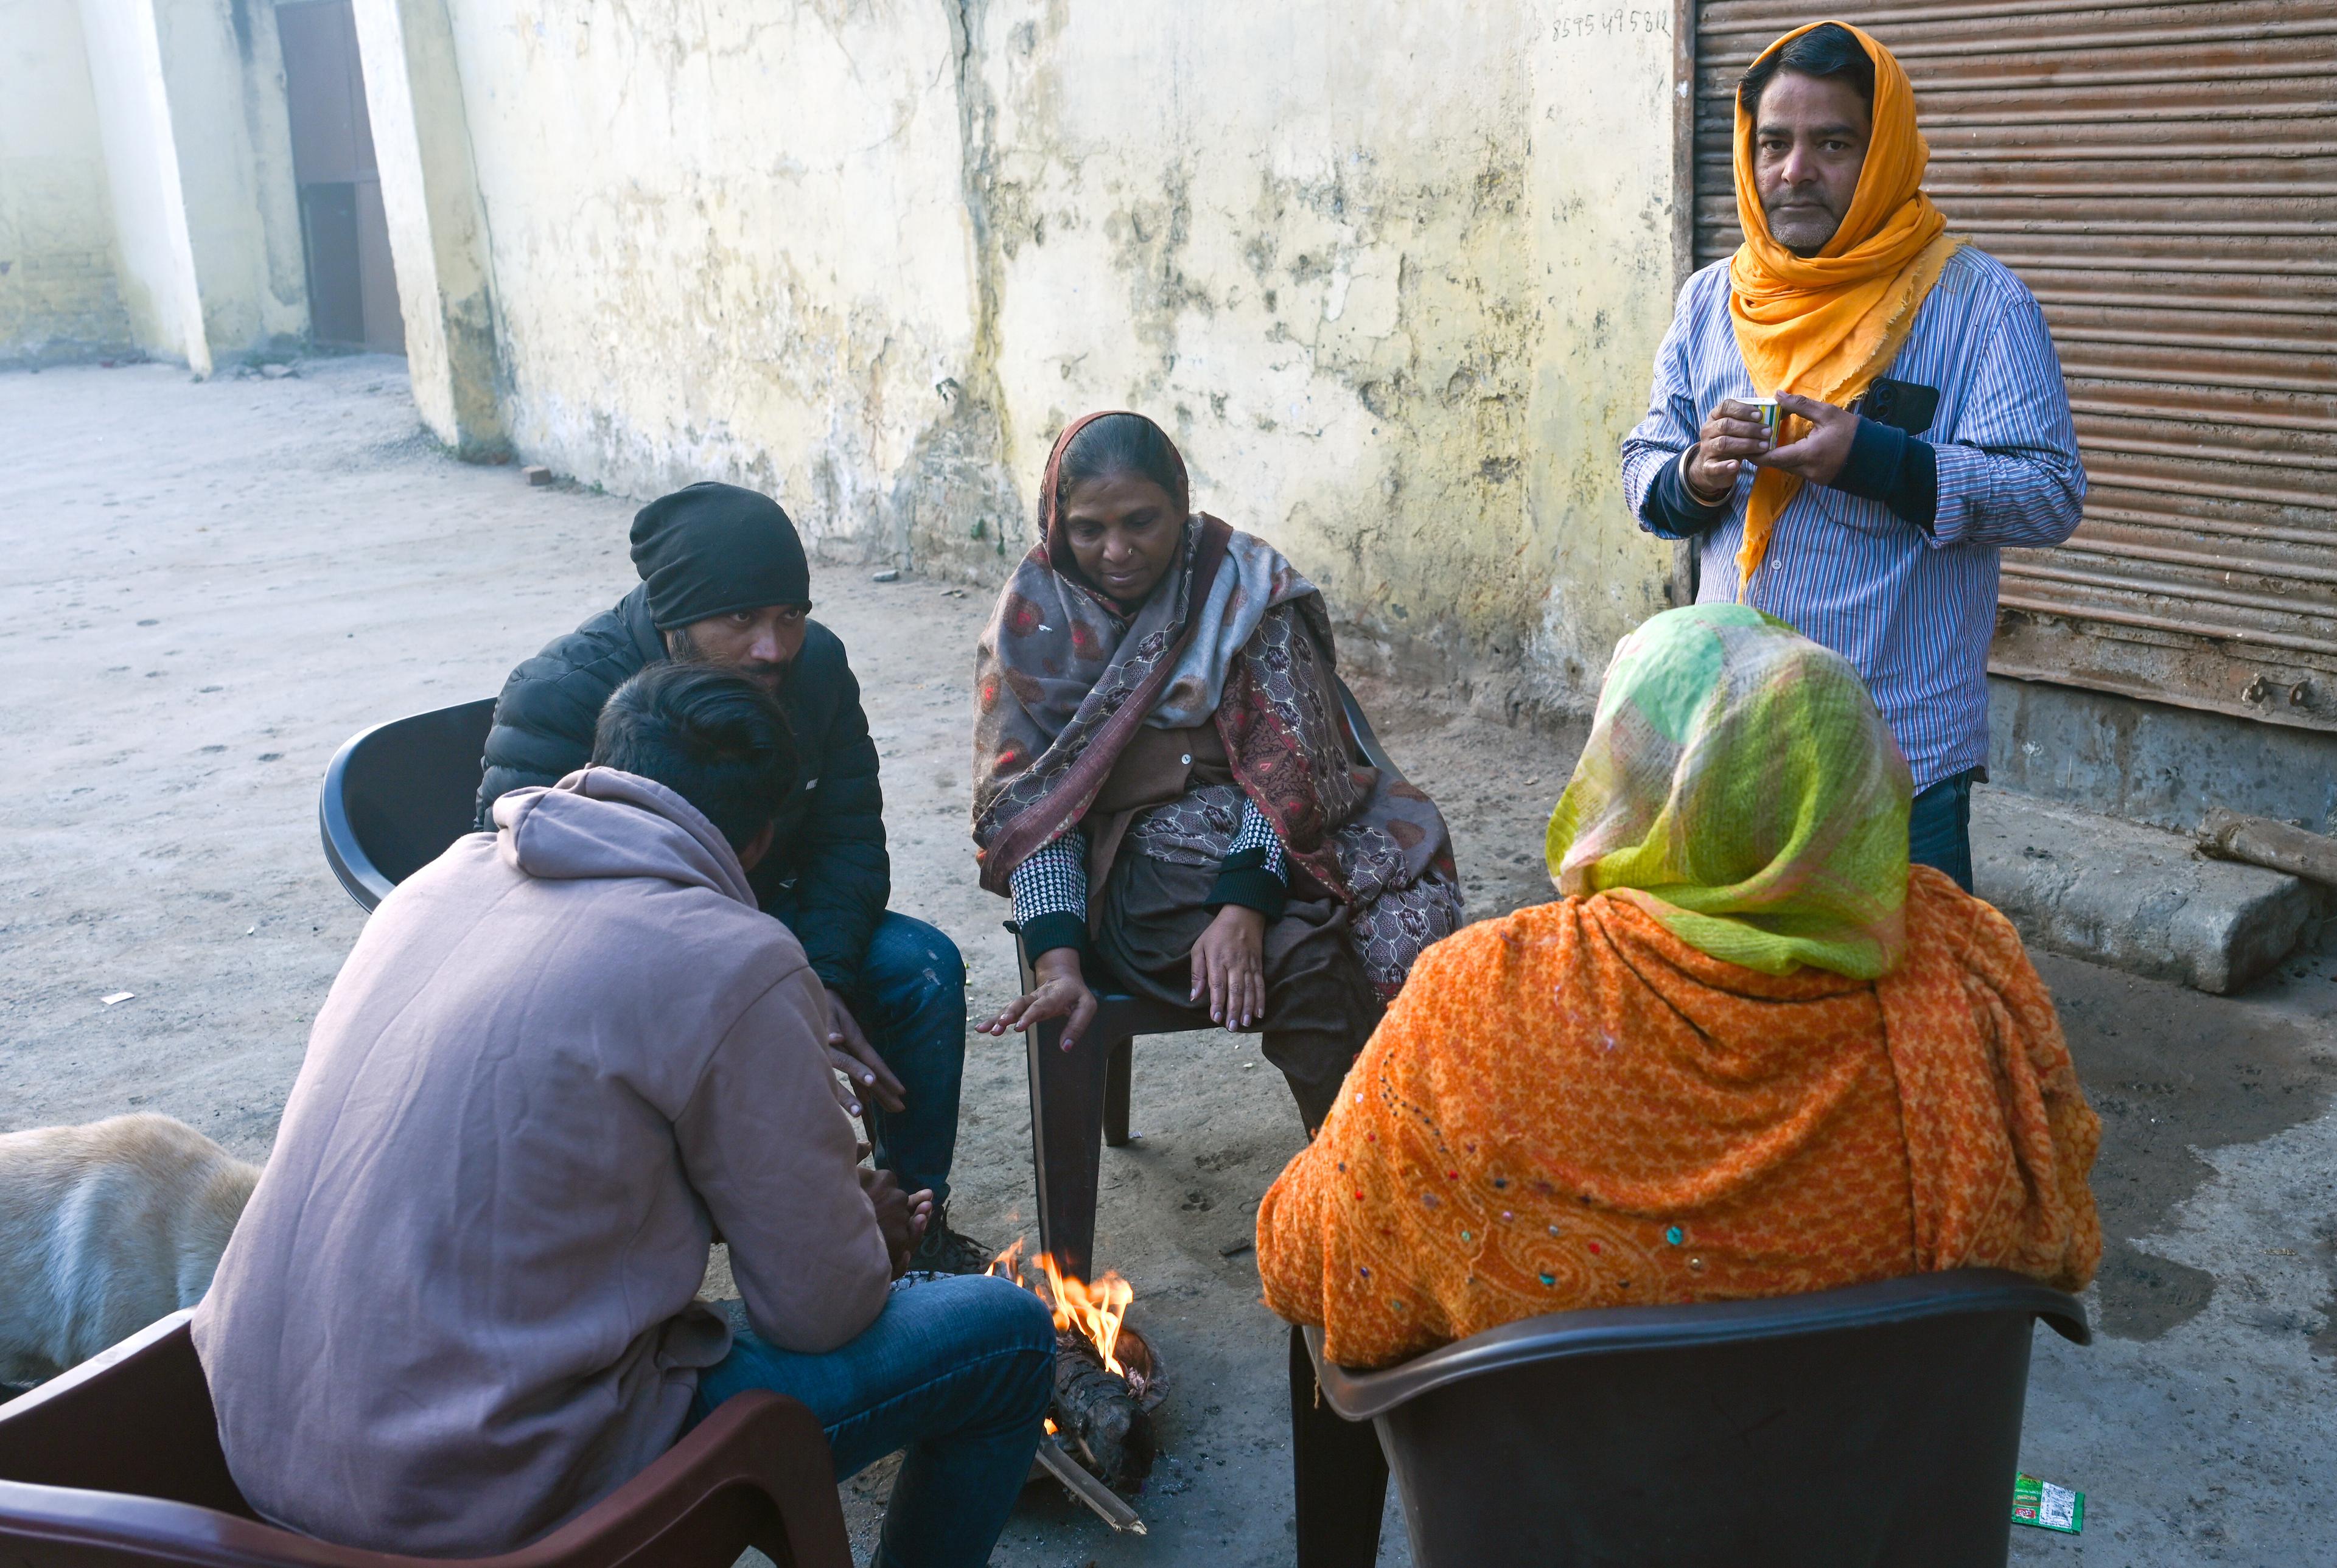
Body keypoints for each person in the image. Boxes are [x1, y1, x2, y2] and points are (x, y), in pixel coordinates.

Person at [1254, 604, 2100, 1558]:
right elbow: (2059, 1225)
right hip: (1865, 1504)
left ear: (1628, 779)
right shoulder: (1970, 966)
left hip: (1566, 1514)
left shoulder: (1477, 1002)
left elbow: (1302, 1258)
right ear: (1861, 776)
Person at [195, 664, 1055, 1566]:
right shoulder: (733, 959)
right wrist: (865, 1239)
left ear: (601, 765)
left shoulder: (433, 883)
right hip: (474, 1496)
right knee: (1006, 1337)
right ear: (760, 842)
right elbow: (820, 1312)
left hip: (255, 1435)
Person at [1619, 21, 2084, 891]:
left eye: (1832, 143)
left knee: (1899, 1008)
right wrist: (1693, 473)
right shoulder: (1712, 302)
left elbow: (2050, 492)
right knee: (1744, 999)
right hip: (1731, 734)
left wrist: (1880, 460)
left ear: (1883, 154)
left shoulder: (1980, 304)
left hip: (1898, 750)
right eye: (1775, 144)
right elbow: (1645, 460)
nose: (1795, 171)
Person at [477, 481, 988, 1272]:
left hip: (774, 918)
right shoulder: (562, 692)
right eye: (741, 620)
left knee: (923, 972)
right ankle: (797, 1235)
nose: (773, 648)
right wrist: (768, 995)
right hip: (627, 958)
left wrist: (819, 977)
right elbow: (520, 884)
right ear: (674, 618)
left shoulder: (815, 668)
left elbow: (848, 835)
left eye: (790, 614)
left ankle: (914, 1221)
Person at [971, 412, 1464, 1134]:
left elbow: (1293, 762)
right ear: (1057, 522)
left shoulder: (1240, 585)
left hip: (1288, 832)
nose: (1117, 551)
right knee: (1309, 965)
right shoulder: (1032, 627)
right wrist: (1059, 963)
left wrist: (1244, 904)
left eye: (1142, 521)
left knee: (1416, 933)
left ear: (1182, 503)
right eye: (1088, 529)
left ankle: (1419, 1155)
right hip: (1136, 867)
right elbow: (1035, 810)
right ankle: (1363, 1195)